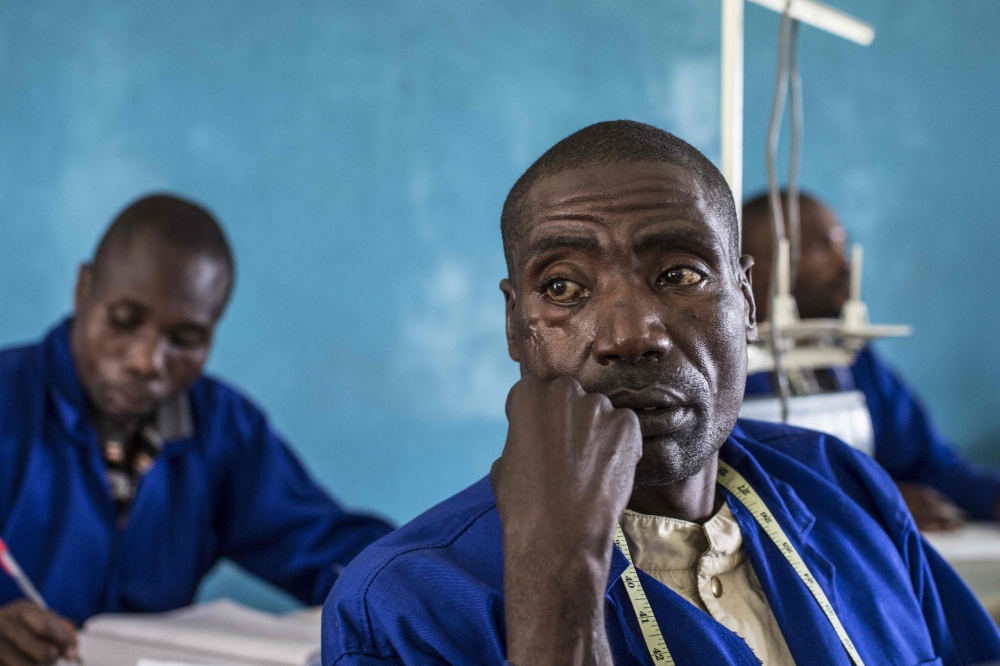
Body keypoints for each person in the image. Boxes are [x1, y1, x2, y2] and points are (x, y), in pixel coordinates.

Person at [322, 121, 1000, 666]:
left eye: (679, 273)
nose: (629, 336)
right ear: (516, 326)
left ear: (746, 300)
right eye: (562, 287)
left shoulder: (842, 486)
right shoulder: (406, 607)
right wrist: (560, 571)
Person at [0, 194, 393, 665]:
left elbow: (332, 549)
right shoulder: (9, 400)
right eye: (124, 321)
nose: (147, 361)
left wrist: (413, 586)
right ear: (83, 289)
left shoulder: (222, 430)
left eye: (185, 339)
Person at [742, 191, 1000, 532]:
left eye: (842, 245)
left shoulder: (852, 362)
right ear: (755, 268)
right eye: (821, 248)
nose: (843, 265)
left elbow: (929, 464)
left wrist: (992, 497)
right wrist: (873, 501)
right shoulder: (729, 372)